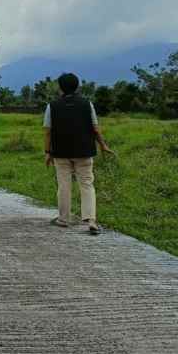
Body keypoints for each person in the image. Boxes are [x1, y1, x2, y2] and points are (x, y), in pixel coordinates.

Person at [44, 73, 114, 235]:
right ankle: (91, 220)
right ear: (77, 86)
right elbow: (95, 128)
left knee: (63, 185)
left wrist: (47, 152)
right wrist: (103, 145)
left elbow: (47, 132)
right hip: (84, 151)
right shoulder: (87, 104)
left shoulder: (52, 106)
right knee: (87, 184)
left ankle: (63, 219)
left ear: (60, 87)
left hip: (60, 152)